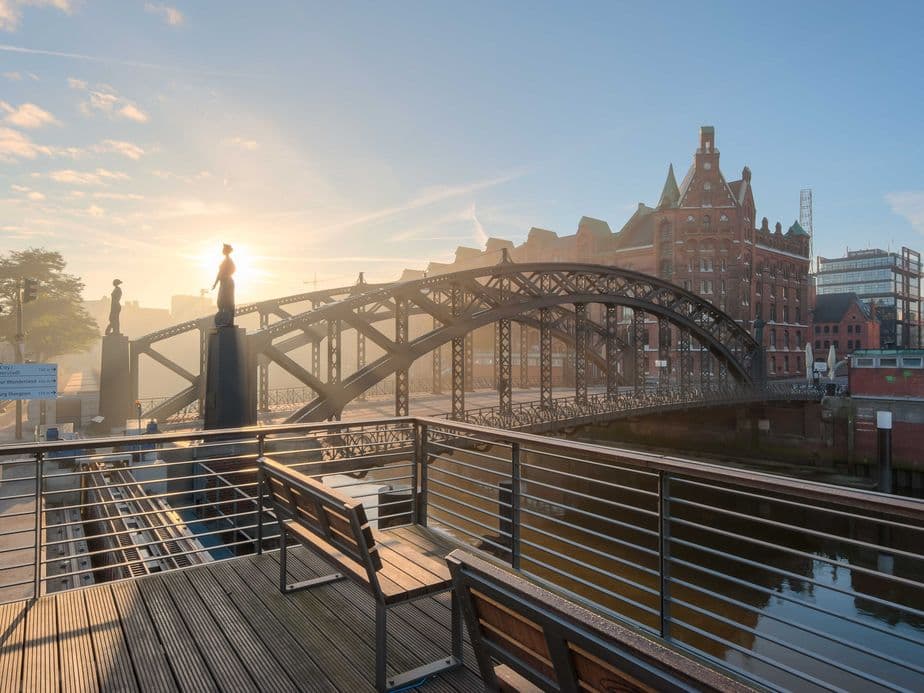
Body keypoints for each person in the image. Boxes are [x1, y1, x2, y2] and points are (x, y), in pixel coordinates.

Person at [212, 243, 236, 327]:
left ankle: (227, 321)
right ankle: (224, 319)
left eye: (223, 249)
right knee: (221, 301)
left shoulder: (228, 261)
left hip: (227, 283)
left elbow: (233, 269)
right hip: (224, 282)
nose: (222, 251)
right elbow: (219, 273)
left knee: (226, 301)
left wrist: (226, 275)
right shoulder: (225, 261)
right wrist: (215, 283)